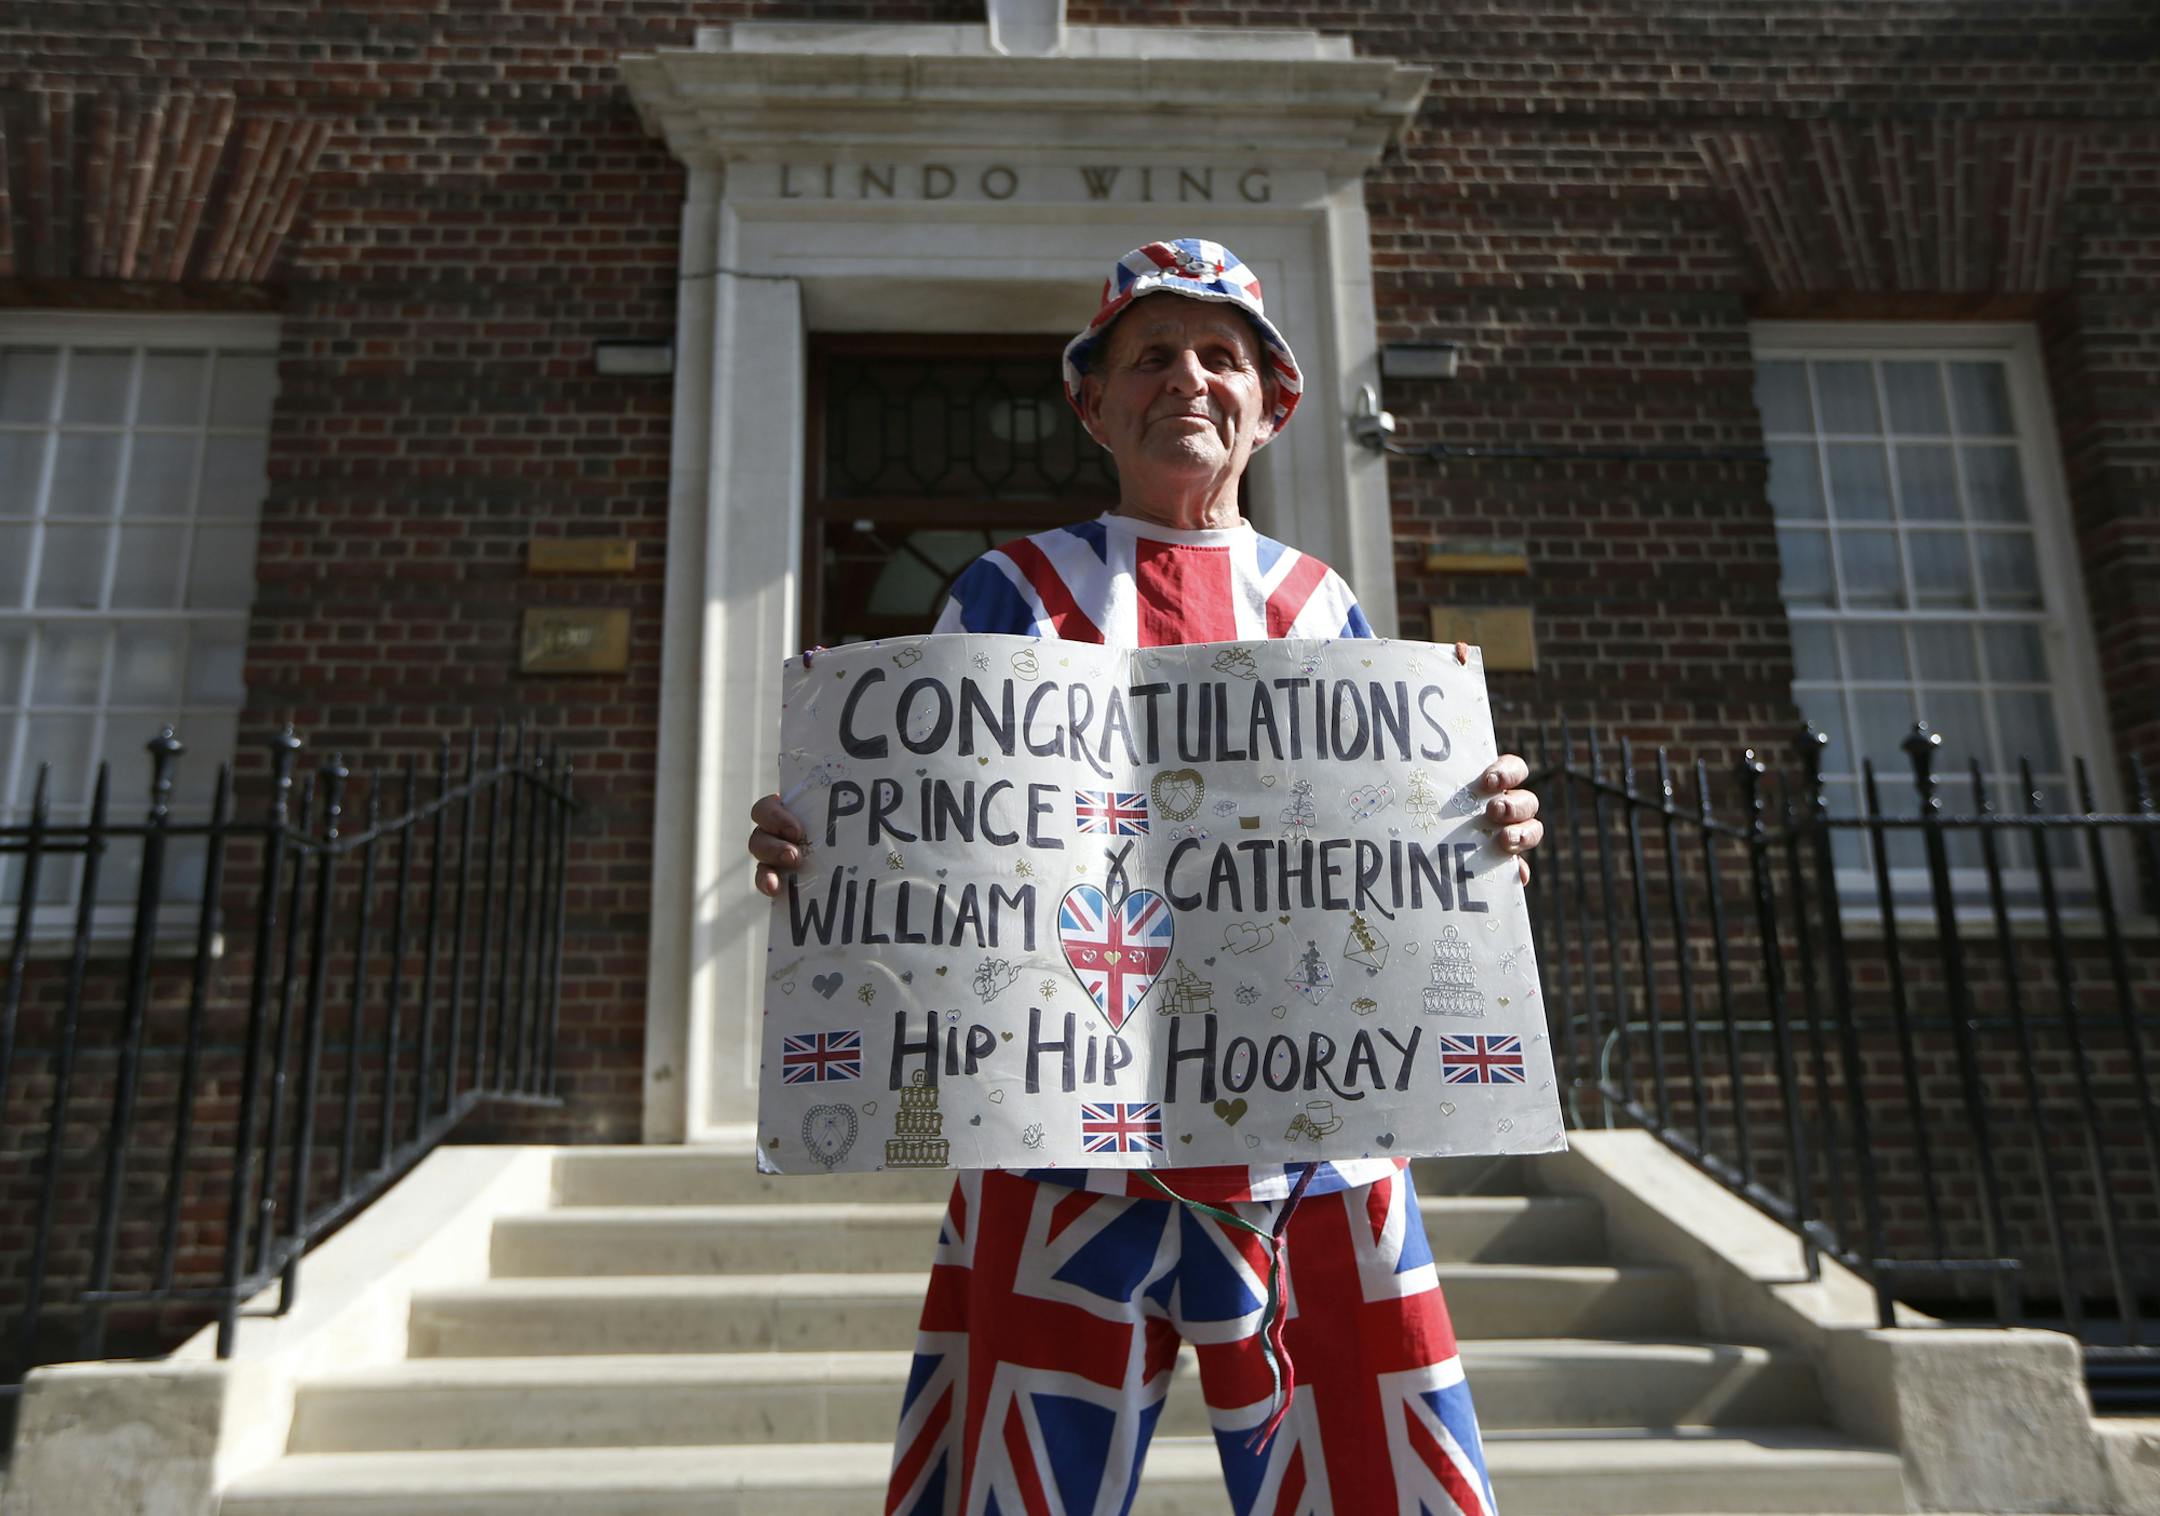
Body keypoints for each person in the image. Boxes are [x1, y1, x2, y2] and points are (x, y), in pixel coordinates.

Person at [747, 238, 1544, 1516]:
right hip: (1056, 1154)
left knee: (1374, 1490)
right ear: (1094, 400)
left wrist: (1479, 826)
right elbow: (919, 835)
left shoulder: (1324, 605)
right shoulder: (1009, 590)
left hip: (1312, 1161)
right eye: (1153, 355)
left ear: (1274, 404)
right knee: (1017, 1495)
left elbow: (1380, 852)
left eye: (1222, 356)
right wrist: (822, 842)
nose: (1190, 378)